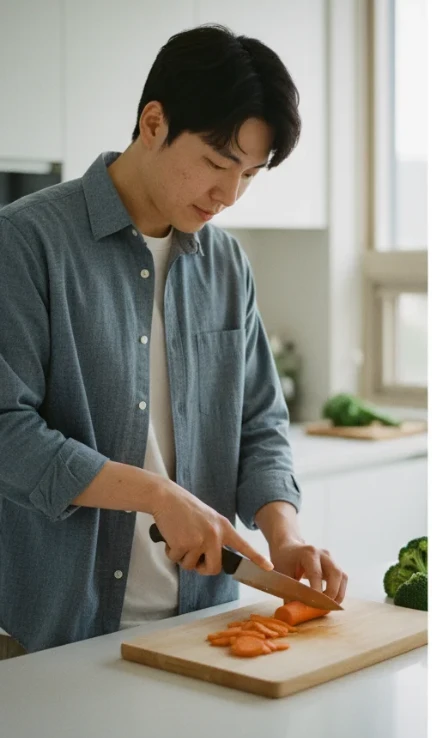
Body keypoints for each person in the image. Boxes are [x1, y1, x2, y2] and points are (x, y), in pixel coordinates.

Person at [0, 25, 347, 658]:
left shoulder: (226, 264)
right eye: (217, 164)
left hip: (200, 625)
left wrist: (283, 533)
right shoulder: (25, 243)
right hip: (56, 636)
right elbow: (7, 432)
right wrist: (159, 496)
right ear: (153, 122)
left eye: (249, 174)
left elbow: (259, 421)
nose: (228, 195)